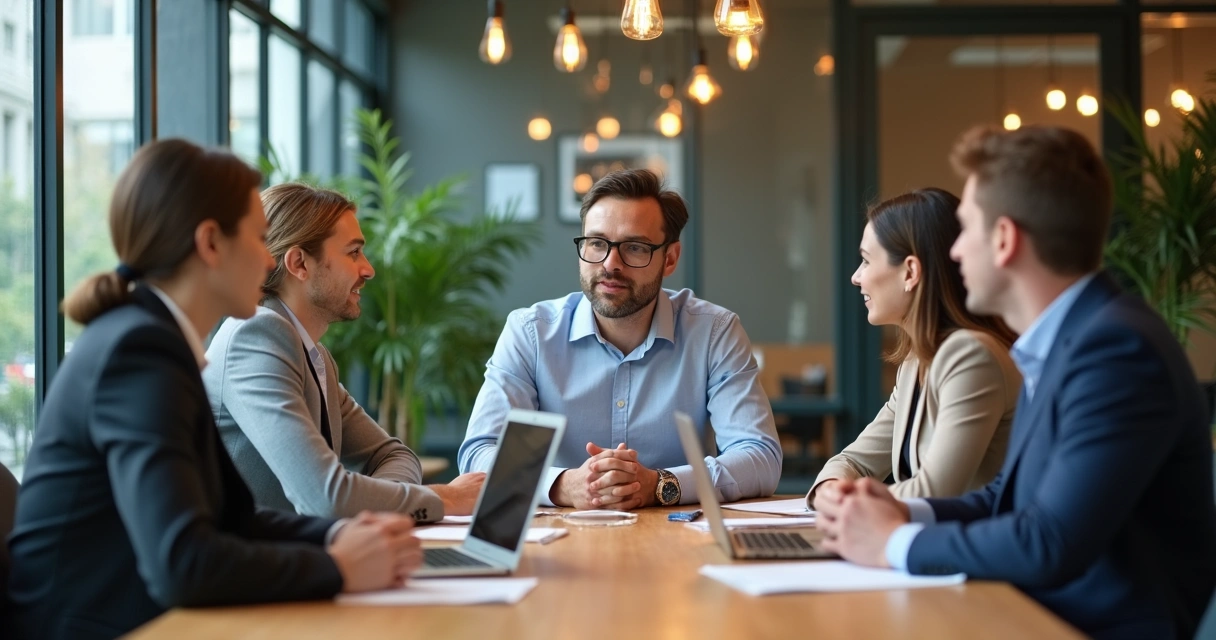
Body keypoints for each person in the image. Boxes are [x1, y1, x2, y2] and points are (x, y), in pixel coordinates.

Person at [6, 140, 421, 640]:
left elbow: (235, 519)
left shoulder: (155, 342)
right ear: (210, 244)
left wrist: (346, 533)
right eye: (258, 238)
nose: (268, 261)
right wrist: (338, 567)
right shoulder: (140, 353)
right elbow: (182, 563)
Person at [817, 125, 1216, 640]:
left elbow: (1049, 541)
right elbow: (1007, 496)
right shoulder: (1066, 341)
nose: (954, 253)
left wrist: (894, 542)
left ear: (1004, 240)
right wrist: (902, 509)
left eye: (965, 231)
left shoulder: (1116, 350)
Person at [457, 169, 781, 510]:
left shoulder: (714, 333)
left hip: (676, 545)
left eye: (635, 247)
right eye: (597, 243)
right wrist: (561, 486)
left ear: (669, 258)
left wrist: (658, 484)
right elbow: (481, 453)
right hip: (557, 543)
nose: (611, 264)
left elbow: (760, 457)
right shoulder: (531, 334)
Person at [205, 183, 484, 523]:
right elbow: (326, 498)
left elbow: (393, 454)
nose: (368, 269)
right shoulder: (256, 337)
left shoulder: (314, 354)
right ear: (299, 263)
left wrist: (376, 512)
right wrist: (444, 497)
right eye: (353, 253)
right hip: (253, 570)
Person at [808, 188, 1020, 507]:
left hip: (965, 553)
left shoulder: (973, 357)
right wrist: (832, 487)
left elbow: (936, 493)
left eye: (865, 261)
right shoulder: (915, 363)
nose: (856, 277)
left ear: (910, 272)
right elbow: (855, 460)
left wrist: (846, 502)